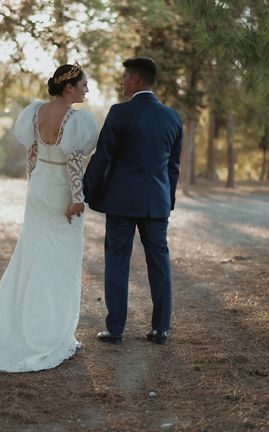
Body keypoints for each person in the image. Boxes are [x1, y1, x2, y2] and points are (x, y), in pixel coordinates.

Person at [0, 64, 98, 372]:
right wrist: (76, 198)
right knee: (59, 260)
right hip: (60, 191)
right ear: (68, 87)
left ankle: (24, 321)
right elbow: (73, 161)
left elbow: (32, 154)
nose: (87, 89)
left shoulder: (35, 112)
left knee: (32, 255)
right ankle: (48, 330)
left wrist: (34, 185)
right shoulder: (76, 119)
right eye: (83, 84)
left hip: (40, 187)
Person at [83, 57, 183, 345]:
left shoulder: (119, 113)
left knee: (117, 261)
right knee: (159, 263)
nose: (122, 81)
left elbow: (103, 155)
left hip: (122, 203)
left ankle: (115, 329)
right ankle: (160, 328)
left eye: (125, 77)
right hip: (156, 203)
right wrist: (168, 200)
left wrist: (88, 191)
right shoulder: (173, 117)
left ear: (137, 80)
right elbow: (172, 167)